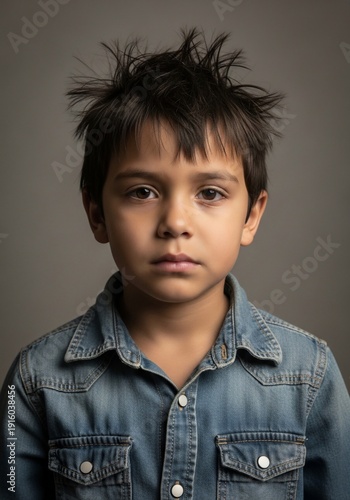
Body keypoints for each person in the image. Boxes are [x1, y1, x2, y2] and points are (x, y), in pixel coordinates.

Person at [0, 28, 349, 499]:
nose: (175, 222)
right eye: (142, 192)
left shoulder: (310, 377)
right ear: (96, 213)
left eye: (210, 193)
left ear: (252, 216)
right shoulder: (37, 381)